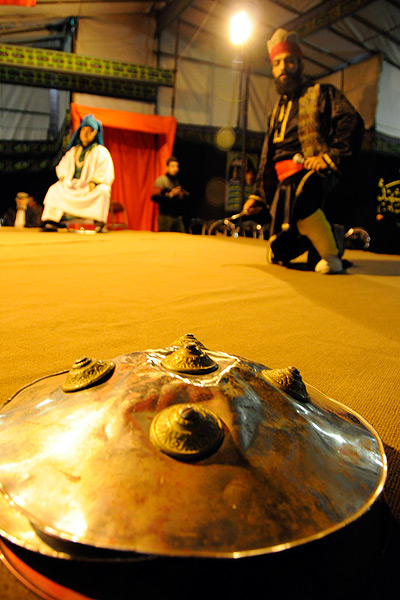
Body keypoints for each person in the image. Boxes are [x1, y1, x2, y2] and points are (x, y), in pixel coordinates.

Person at [243, 28, 364, 274]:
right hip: (282, 183)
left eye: (289, 61)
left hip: (313, 176)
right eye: (277, 63)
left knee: (298, 192)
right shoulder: (275, 112)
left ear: (301, 64)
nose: (283, 68)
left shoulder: (323, 93)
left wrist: (330, 157)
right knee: (279, 254)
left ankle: (330, 253)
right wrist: (257, 195)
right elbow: (267, 156)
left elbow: (351, 121)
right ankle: (327, 239)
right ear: (272, 69)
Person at [41, 114, 114, 232]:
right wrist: (64, 177)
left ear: (95, 134)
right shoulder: (73, 151)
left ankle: (99, 223)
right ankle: (52, 221)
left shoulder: (100, 151)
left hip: (89, 188)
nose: (86, 133)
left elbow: (104, 170)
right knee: (54, 189)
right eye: (84, 130)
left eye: (90, 131)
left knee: (103, 191)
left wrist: (94, 181)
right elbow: (62, 167)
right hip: (71, 186)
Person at [151, 156, 190, 232]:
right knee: (164, 238)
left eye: (176, 166)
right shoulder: (161, 180)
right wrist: (171, 194)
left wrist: (181, 195)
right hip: (165, 217)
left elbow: (187, 196)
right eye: (172, 166)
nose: (175, 168)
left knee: (181, 238)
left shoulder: (178, 181)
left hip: (177, 217)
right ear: (167, 167)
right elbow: (154, 197)